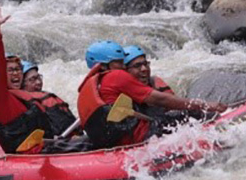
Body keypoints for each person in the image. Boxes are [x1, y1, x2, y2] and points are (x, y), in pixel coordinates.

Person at [76, 40, 227, 149]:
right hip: (142, 137)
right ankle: (226, 133)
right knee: (193, 114)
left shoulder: (88, 87)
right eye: (119, 62)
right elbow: (160, 99)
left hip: (117, 142)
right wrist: (206, 105)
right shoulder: (116, 76)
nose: (123, 66)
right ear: (103, 65)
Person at [0, 7, 77, 154]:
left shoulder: (21, 97)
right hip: (34, 156)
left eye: (18, 69)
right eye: (10, 70)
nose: (16, 73)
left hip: (47, 150)